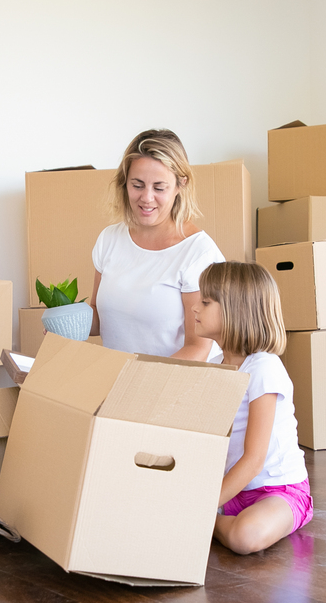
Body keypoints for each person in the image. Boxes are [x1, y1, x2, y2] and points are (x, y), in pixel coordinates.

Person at [192, 261, 313, 555]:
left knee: (245, 538)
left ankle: (206, 523)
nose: (195, 308)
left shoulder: (264, 369)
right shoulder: (214, 368)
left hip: (278, 491)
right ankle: (215, 521)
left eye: (206, 302)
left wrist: (202, 506)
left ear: (235, 311)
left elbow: (254, 459)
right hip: (232, 491)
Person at [90, 129, 224, 360]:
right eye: (137, 185)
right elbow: (99, 319)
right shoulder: (109, 240)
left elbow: (198, 349)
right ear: (125, 183)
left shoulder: (198, 253)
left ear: (180, 185)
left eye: (159, 188)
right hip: (117, 381)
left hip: (171, 385)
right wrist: (64, 320)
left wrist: (141, 382)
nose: (147, 197)